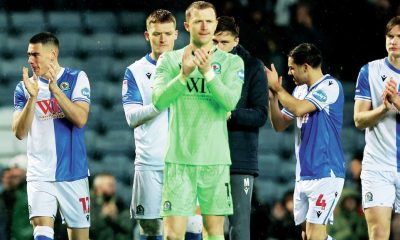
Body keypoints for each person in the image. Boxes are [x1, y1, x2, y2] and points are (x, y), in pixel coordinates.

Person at [152, 1, 245, 239]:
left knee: (214, 234)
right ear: (186, 25)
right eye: (198, 21)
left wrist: (208, 73)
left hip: (215, 160)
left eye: (209, 21)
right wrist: (183, 75)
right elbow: (159, 101)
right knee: (173, 235)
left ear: (215, 25)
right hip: (179, 160)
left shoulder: (232, 63)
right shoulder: (170, 61)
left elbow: (230, 102)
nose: (204, 26)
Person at [12, 32, 91, 240]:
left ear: (52, 55)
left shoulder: (76, 78)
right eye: (29, 54)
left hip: (73, 173)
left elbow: (81, 119)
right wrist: (33, 98)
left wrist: (56, 91)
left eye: (35, 55)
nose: (30, 60)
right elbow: (19, 133)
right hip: (40, 174)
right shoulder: (24, 87)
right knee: (42, 233)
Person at [267, 43, 345, 240]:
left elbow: (300, 109)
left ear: (306, 66)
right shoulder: (299, 91)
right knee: (306, 236)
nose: (289, 71)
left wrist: (279, 87)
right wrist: (273, 98)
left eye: (292, 67)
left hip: (326, 172)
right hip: (303, 175)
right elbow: (279, 124)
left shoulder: (330, 86)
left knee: (314, 236)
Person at [122, 9, 177, 240]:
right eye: (157, 34)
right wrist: (160, 103)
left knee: (191, 227)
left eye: (167, 33)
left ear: (176, 34)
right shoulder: (135, 71)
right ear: (147, 35)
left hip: (184, 162)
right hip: (149, 162)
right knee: (151, 229)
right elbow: (131, 118)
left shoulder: (191, 67)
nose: (162, 39)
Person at [212, 16, 268, 240]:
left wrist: (230, 115)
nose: (218, 48)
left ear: (236, 40)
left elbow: (260, 114)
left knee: (240, 227)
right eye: (214, 42)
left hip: (239, 158)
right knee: (208, 225)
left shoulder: (253, 67)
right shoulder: (199, 65)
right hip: (206, 156)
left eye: (224, 42)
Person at [353, 15, 400, 240]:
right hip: (377, 166)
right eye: (390, 36)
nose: (394, 41)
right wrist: (383, 108)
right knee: (378, 234)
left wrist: (396, 100)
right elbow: (359, 120)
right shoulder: (369, 71)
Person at [90, 173, 133, 240]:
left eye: (114, 185)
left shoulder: (120, 204)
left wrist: (115, 218)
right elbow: (90, 230)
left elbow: (129, 227)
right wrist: (103, 216)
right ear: (98, 188)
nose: (114, 188)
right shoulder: (90, 206)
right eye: (110, 185)